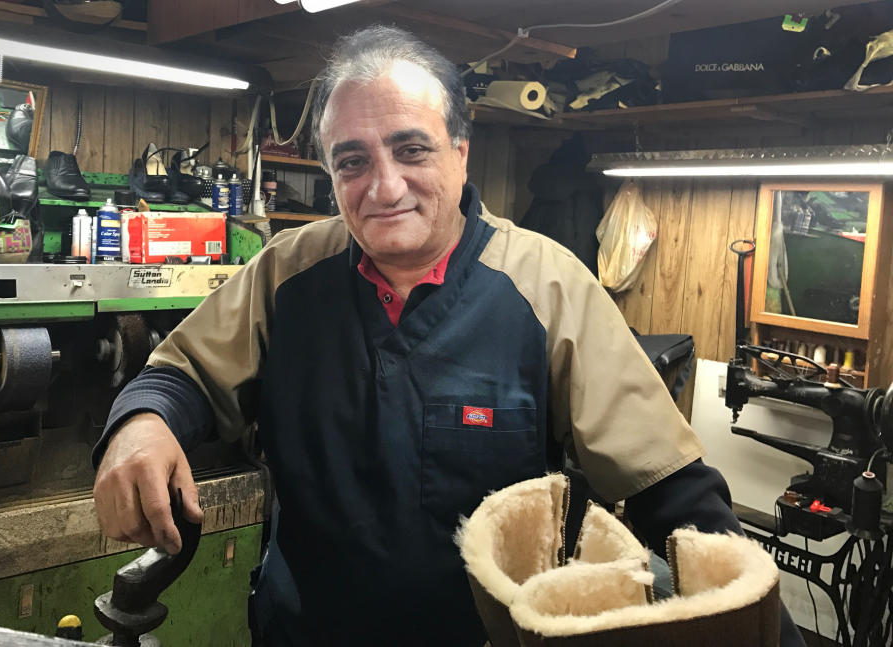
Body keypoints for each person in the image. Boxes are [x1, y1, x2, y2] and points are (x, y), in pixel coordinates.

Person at [93, 25, 805, 647]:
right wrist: (143, 425)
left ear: (461, 151)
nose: (383, 185)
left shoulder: (547, 286)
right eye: (352, 160)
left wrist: (757, 618)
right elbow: (180, 374)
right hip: (302, 630)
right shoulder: (288, 273)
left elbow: (671, 492)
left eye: (412, 150)